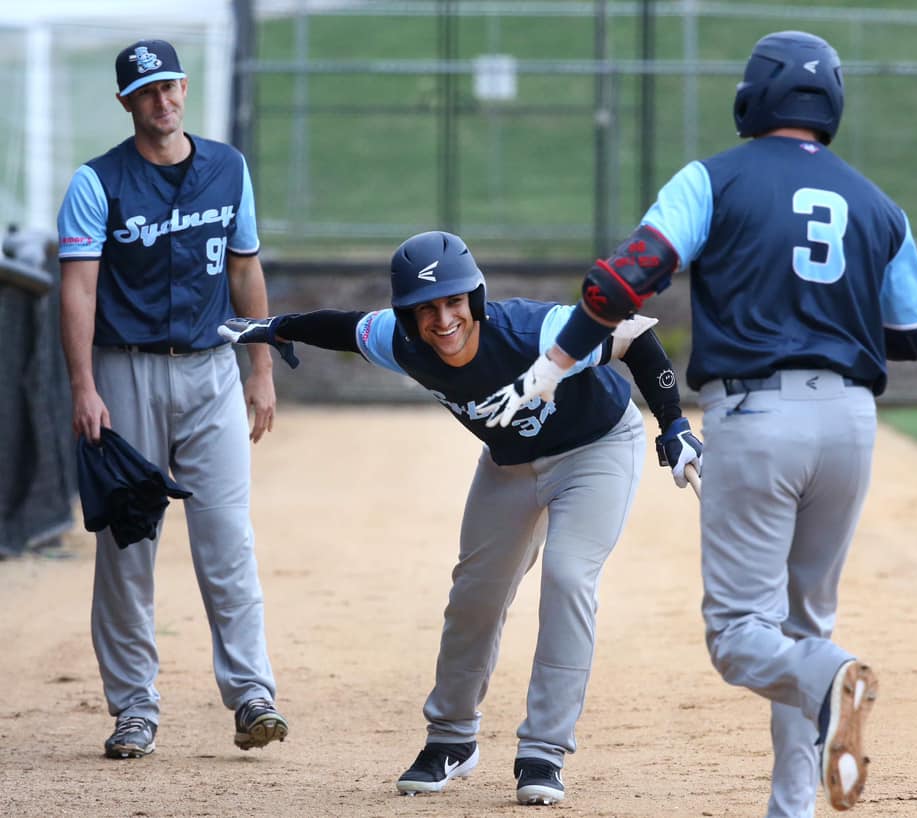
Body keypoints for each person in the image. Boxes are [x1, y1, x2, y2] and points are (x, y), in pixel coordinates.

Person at [479, 30, 917, 816]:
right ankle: (791, 803)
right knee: (805, 626)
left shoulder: (714, 179)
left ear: (752, 99)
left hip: (759, 415)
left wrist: (552, 367)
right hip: (853, 422)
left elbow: (624, 280)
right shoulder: (878, 204)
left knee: (739, 638)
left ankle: (835, 680)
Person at [218, 229, 703, 805]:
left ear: (474, 298)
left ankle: (544, 751)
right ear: (406, 316)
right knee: (475, 593)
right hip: (511, 464)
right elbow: (341, 325)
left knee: (569, 578)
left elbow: (634, 337)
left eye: (453, 302)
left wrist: (672, 422)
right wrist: (278, 329)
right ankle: (451, 739)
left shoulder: (535, 331)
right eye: (425, 309)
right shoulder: (398, 342)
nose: (442, 320)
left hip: (595, 448)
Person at [57, 39, 288, 759]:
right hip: (123, 374)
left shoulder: (228, 167)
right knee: (129, 543)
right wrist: (84, 387)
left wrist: (262, 365)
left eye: (170, 87)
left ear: (185, 89)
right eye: (146, 91)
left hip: (211, 368)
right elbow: (80, 287)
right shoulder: (98, 182)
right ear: (126, 101)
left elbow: (246, 271)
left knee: (228, 539)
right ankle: (134, 709)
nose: (162, 101)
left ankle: (253, 695)